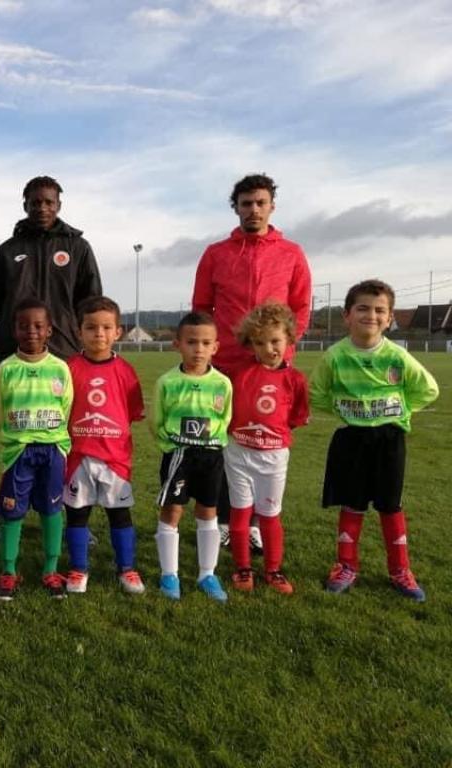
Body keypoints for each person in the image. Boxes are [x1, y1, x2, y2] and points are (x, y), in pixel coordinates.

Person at [191, 173, 311, 549]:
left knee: (264, 443)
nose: (253, 210)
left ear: (272, 206)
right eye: (246, 203)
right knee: (223, 443)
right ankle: (225, 519)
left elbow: (301, 306)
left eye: (260, 202)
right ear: (236, 208)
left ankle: (258, 523)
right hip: (226, 365)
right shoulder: (216, 253)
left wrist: (283, 351)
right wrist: (210, 350)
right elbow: (201, 307)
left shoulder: (291, 253)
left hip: (270, 367)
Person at [310, 279, 439, 601]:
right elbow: (315, 393)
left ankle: (400, 570)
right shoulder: (335, 356)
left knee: (389, 504)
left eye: (380, 310)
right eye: (363, 308)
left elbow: (428, 389)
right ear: (347, 315)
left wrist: (401, 410)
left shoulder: (396, 356)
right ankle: (346, 566)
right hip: (352, 438)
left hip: (389, 439)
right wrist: (345, 410)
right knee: (352, 502)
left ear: (389, 317)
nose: (372, 315)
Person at [0, 298, 74, 600]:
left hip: (51, 449)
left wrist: (53, 440)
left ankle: (50, 570)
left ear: (49, 330)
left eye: (38, 325)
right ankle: (9, 570)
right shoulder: (7, 369)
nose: (31, 331)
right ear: (15, 330)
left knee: (52, 509)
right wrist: (18, 437)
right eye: (24, 325)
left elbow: (66, 406)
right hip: (19, 451)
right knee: (13, 512)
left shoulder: (60, 369)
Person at [224, 303, 309, 595]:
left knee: (270, 515)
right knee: (240, 514)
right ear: (250, 344)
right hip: (238, 454)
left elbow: (297, 417)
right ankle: (242, 567)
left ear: (288, 339)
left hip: (273, 457)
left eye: (275, 341)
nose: (268, 348)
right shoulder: (239, 374)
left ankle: (273, 569)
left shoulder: (295, 379)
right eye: (260, 343)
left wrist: (270, 438)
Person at [63, 296, 146, 595]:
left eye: (106, 327)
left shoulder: (126, 371)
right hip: (78, 456)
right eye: (91, 327)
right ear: (79, 331)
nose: (99, 333)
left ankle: (127, 569)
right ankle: (78, 569)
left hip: (115, 458)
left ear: (118, 332)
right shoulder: (69, 369)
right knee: (77, 514)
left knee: (120, 515)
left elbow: (133, 412)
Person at [152, 312, 232, 602]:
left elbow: (226, 418)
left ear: (215, 347)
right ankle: (169, 574)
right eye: (191, 342)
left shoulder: (222, 383)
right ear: (178, 344)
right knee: (172, 511)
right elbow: (157, 419)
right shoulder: (168, 382)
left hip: (211, 456)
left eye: (205, 343)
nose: (198, 349)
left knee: (208, 511)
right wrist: (169, 445)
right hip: (179, 455)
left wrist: (214, 441)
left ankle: (207, 574)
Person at [0, 176, 103, 363]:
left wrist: (64, 320)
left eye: (49, 202)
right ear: (25, 206)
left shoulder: (78, 248)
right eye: (35, 203)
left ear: (58, 205)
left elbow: (91, 300)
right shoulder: (8, 250)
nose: (42, 208)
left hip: (63, 349)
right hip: (13, 351)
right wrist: (17, 320)